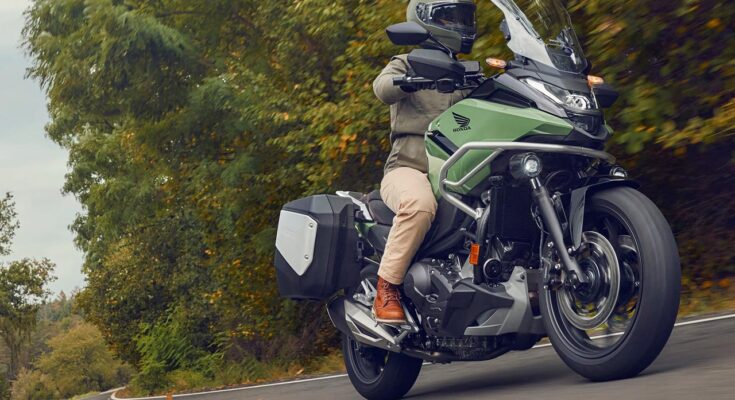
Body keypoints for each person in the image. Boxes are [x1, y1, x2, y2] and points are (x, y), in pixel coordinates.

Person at [371, 0, 478, 324]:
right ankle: (386, 287)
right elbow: (381, 88)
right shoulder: (406, 62)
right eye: (449, 18)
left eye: (462, 18)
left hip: (459, 171)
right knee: (419, 205)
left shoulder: (467, 71)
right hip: (409, 167)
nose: (458, 25)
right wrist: (407, 80)